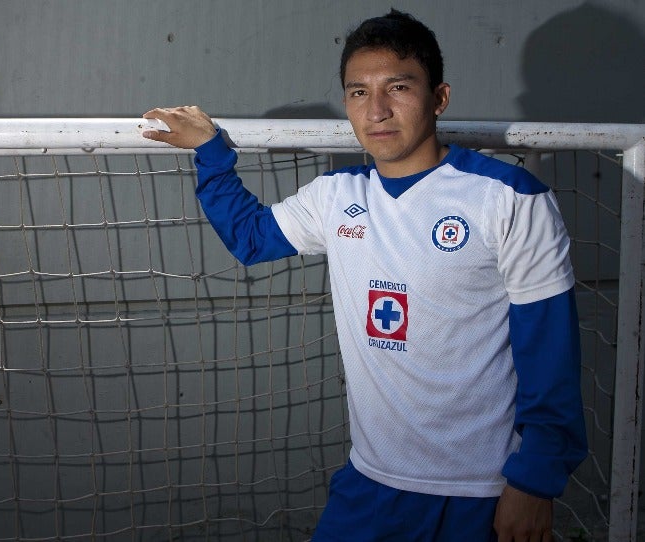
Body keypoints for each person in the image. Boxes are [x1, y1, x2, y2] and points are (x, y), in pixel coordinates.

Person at [142, 9, 587, 542]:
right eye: (358, 92)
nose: (376, 110)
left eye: (397, 87)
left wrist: (535, 482)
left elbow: (550, 348)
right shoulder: (337, 196)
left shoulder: (509, 197)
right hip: (371, 482)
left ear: (439, 97)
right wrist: (210, 152)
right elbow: (251, 238)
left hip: (481, 491)